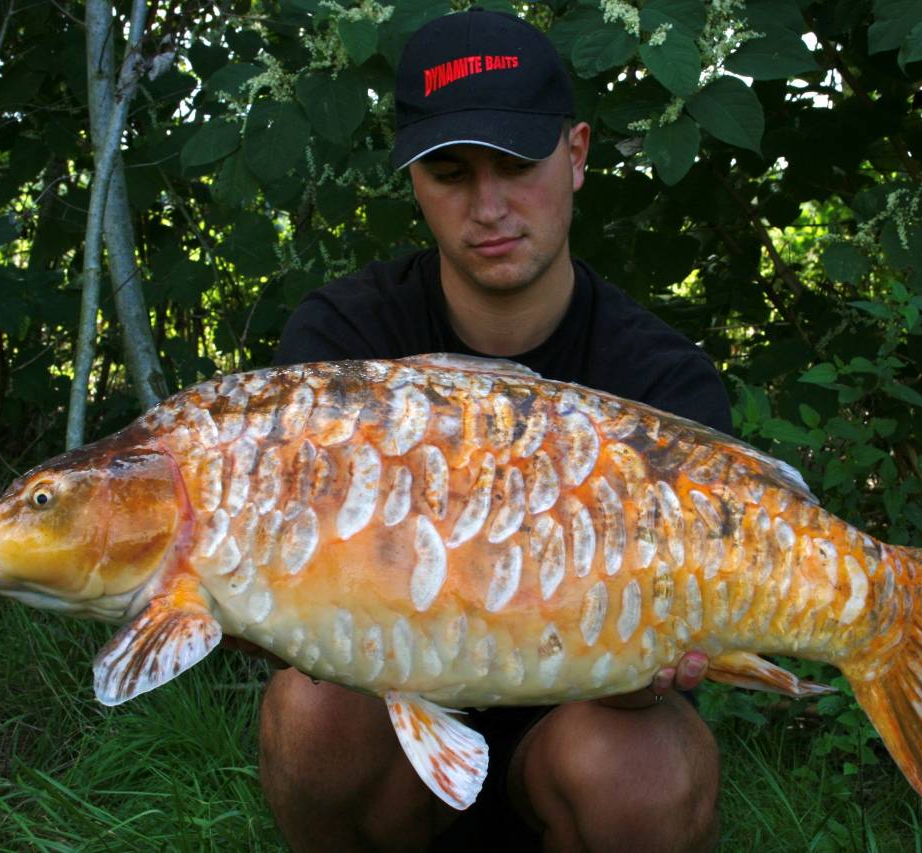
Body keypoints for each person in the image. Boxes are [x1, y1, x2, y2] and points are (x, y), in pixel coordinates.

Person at [261, 8, 727, 851]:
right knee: (310, 706)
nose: (489, 205)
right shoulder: (341, 351)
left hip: (581, 732)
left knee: (644, 772)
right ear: (414, 183)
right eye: (450, 172)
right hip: (394, 737)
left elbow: (671, 664)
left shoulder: (663, 383)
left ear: (577, 155)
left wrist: (647, 675)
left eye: (517, 163)